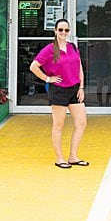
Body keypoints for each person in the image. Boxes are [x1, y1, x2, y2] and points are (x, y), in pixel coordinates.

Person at [29, 18, 88, 168]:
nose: (63, 32)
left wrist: (81, 87)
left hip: (75, 89)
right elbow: (34, 66)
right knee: (59, 125)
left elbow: (79, 67)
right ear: (55, 31)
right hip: (59, 90)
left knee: (81, 123)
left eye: (66, 30)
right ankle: (59, 158)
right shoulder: (49, 49)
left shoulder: (73, 47)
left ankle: (73, 156)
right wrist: (47, 78)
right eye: (60, 30)